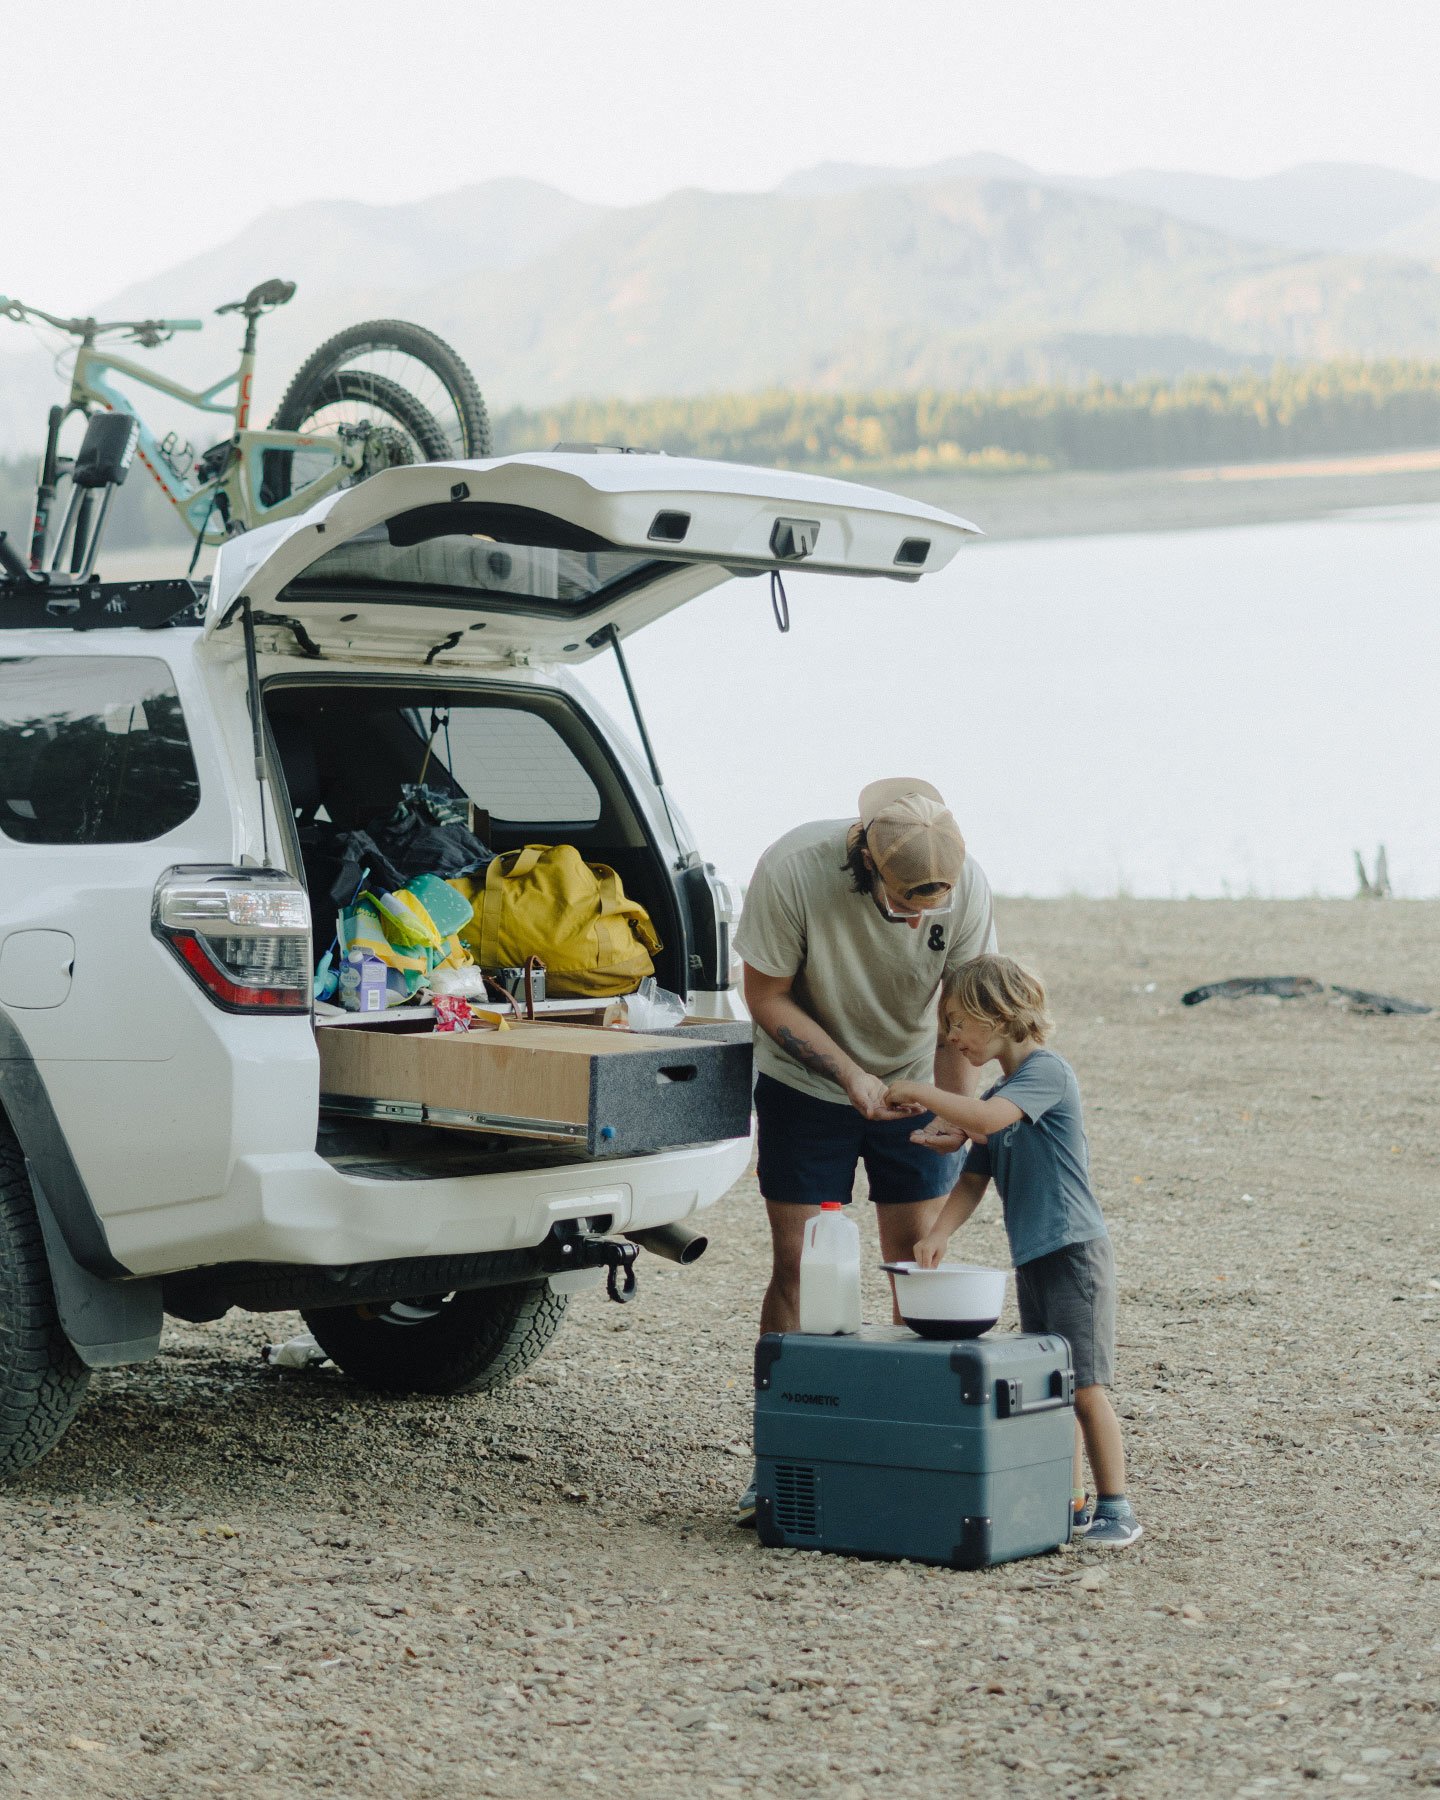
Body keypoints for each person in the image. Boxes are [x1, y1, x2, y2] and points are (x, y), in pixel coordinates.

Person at [731, 778, 997, 1526]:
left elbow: (962, 1009)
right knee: (799, 1264)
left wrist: (954, 1110)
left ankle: (914, 1454)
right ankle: (779, 1461)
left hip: (915, 1087)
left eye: (930, 909)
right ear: (865, 862)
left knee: (917, 1264)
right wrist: (848, 1073)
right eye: (904, 905)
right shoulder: (792, 869)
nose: (919, 921)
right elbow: (766, 996)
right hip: (805, 1085)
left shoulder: (965, 884)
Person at [886, 954, 1143, 1549]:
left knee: (1085, 1386)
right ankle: (1070, 1502)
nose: (949, 1037)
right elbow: (974, 1177)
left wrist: (924, 1093)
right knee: (1052, 1381)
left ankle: (1117, 1506)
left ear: (998, 1015)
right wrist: (938, 1233)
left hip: (1075, 1251)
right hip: (1033, 1254)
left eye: (956, 1023)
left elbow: (982, 1116)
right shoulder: (1004, 1095)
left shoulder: (1046, 1075)